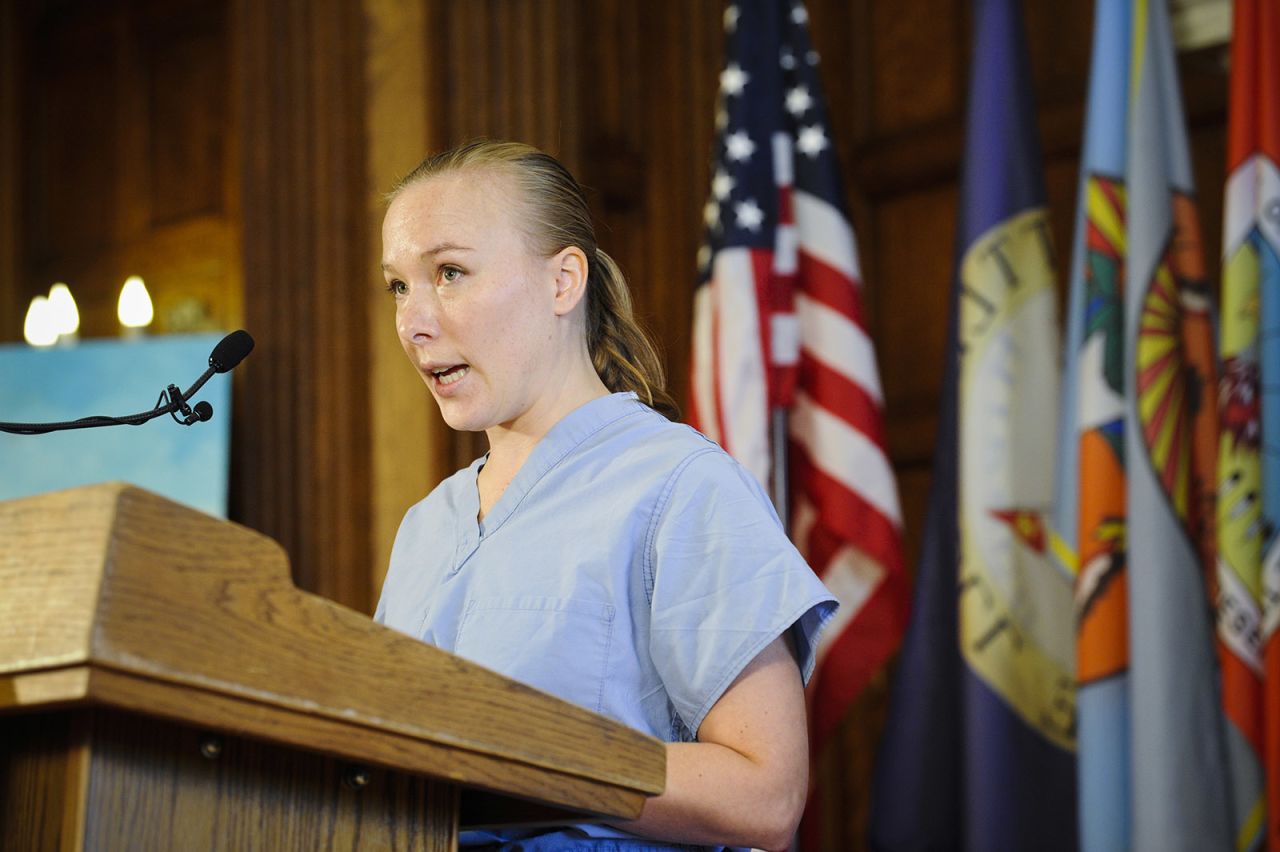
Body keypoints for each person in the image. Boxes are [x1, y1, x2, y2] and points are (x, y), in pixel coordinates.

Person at [374, 139, 837, 852]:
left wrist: (520, 754)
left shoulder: (680, 485)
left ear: (564, 282)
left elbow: (766, 794)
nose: (413, 321)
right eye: (399, 286)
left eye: (451, 272)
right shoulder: (425, 526)